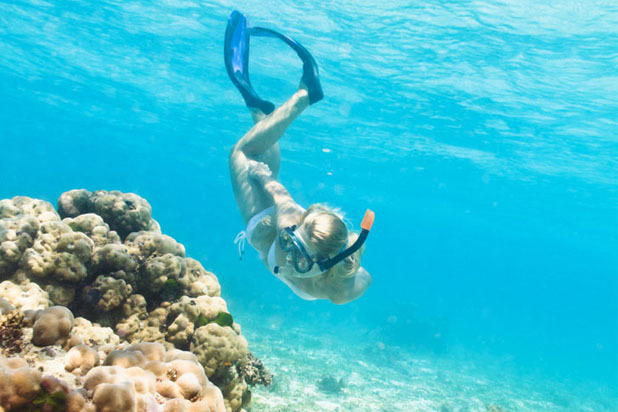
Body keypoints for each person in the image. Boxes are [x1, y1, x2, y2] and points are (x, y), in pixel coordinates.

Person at [225, 11, 373, 304]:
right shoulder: (288, 224)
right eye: (292, 242)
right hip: (264, 223)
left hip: (291, 239)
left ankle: (262, 114)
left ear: (329, 264)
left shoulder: (340, 290)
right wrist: (263, 177)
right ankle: (304, 95)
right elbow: (281, 197)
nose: (291, 257)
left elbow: (365, 278)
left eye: (301, 256)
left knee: (257, 147)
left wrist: (352, 258)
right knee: (242, 153)